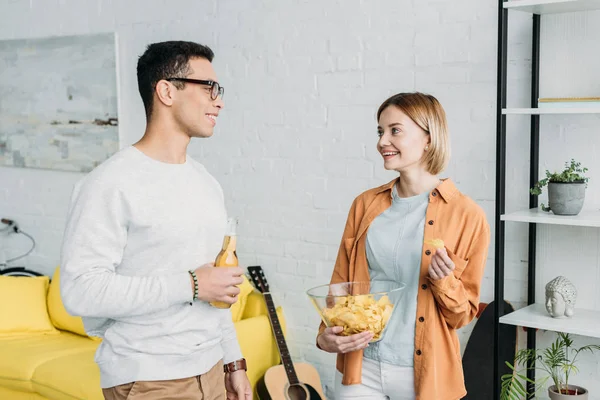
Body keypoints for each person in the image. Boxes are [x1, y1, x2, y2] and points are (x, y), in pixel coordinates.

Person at [60, 41, 252, 400]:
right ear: (166, 90)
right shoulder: (109, 183)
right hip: (148, 379)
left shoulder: (207, 182)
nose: (219, 100)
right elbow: (80, 291)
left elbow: (216, 285)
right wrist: (192, 285)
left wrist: (233, 362)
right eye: (208, 87)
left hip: (211, 370)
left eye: (218, 90)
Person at [316, 92, 490, 400]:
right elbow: (340, 284)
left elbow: (461, 316)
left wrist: (444, 281)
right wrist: (325, 336)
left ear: (428, 137)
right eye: (380, 132)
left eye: (395, 130)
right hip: (362, 366)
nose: (383, 141)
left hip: (424, 375)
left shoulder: (468, 216)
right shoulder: (365, 205)